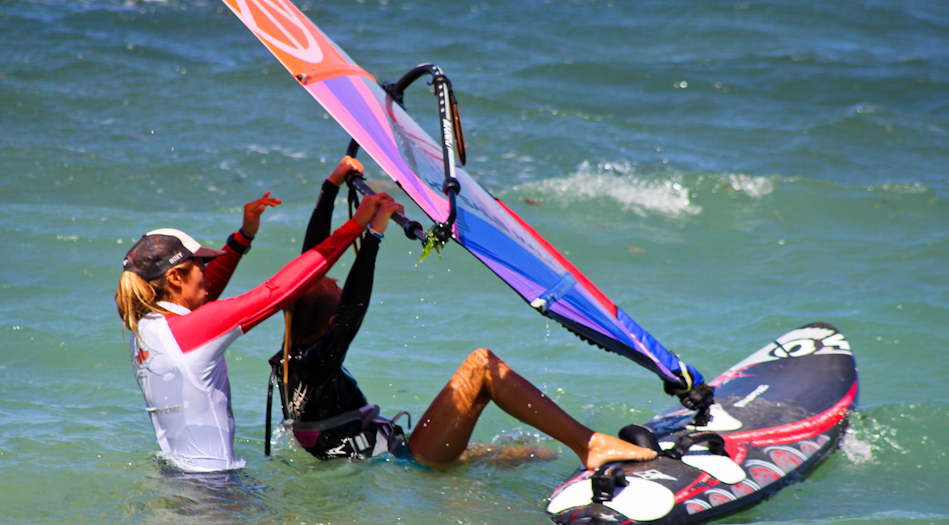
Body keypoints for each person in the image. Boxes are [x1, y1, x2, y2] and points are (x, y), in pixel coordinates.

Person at [271, 157, 658, 470]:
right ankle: (589, 445)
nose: (338, 283)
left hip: (395, 453)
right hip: (406, 465)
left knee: (523, 453)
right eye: (334, 288)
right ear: (329, 323)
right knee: (481, 367)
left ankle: (487, 456)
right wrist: (373, 235)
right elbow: (353, 312)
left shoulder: (293, 352)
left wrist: (332, 185)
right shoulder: (320, 361)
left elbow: (309, 266)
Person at [116, 168, 394, 472]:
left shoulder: (144, 326)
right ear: (174, 277)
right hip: (213, 489)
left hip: (174, 474)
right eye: (200, 265)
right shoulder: (192, 331)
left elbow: (203, 292)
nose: (206, 273)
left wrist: (243, 238)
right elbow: (280, 290)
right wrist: (357, 227)